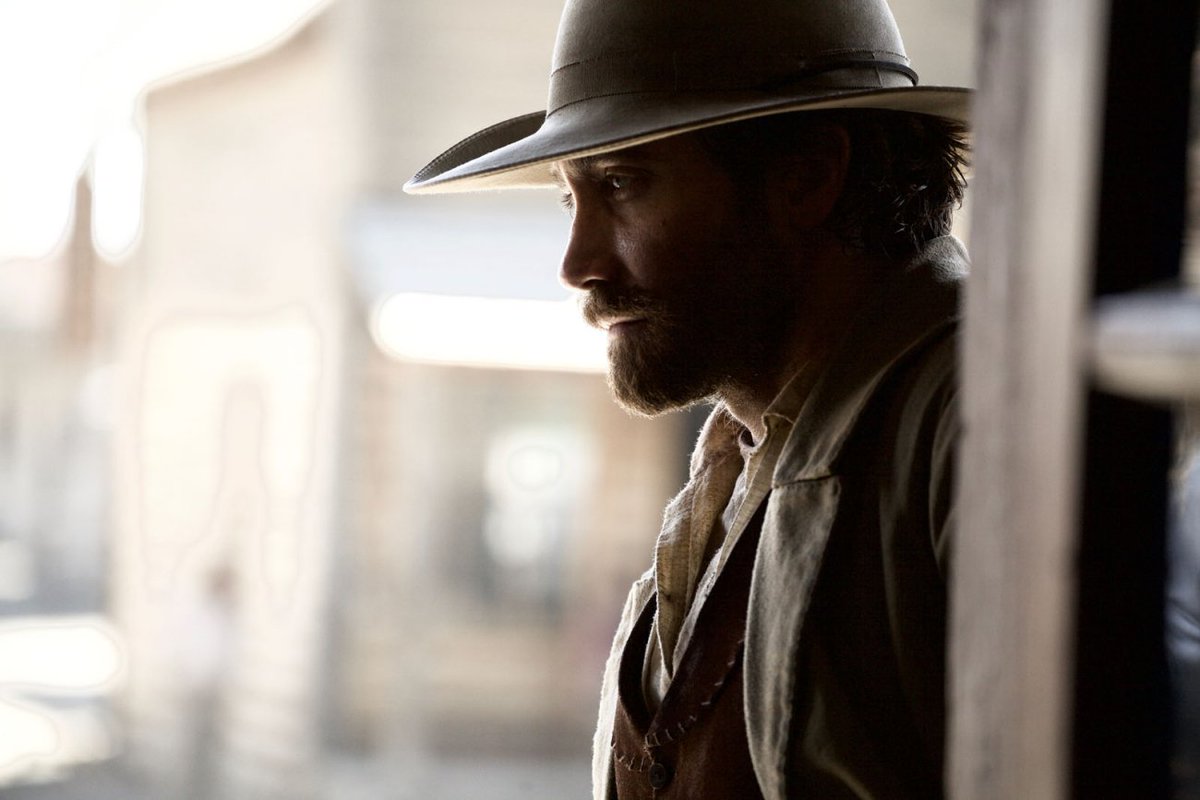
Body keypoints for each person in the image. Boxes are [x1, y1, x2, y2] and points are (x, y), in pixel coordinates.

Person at [406, 0, 971, 796]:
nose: (577, 263)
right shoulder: (744, 461)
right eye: (571, 199)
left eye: (622, 185)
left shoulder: (973, 430)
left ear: (807, 177)